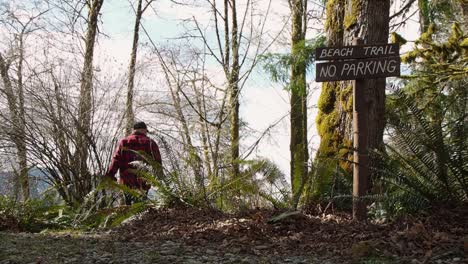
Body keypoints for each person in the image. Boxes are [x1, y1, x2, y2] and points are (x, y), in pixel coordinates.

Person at [105, 121, 162, 205]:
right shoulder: (150, 142)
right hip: (144, 181)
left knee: (129, 206)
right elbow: (157, 162)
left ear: (133, 130)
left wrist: (110, 175)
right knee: (142, 205)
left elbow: (116, 159)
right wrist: (159, 177)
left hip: (127, 180)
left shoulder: (124, 142)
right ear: (145, 130)